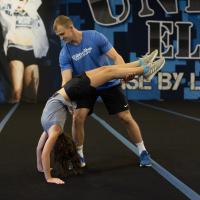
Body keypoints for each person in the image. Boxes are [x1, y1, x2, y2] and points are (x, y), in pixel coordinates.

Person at [37, 55, 165, 184]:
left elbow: (44, 152)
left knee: (107, 70)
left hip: (72, 91)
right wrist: (44, 172)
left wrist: (45, 173)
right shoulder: (50, 131)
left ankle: (141, 64)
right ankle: (144, 69)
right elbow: (41, 151)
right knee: (108, 72)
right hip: (70, 90)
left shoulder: (52, 132)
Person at [53, 15, 159, 168]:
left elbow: (116, 57)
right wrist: (67, 99)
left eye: (62, 34)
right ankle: (79, 156)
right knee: (78, 117)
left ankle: (143, 151)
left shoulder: (95, 37)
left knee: (125, 117)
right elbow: (66, 81)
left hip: (108, 82)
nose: (61, 38)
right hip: (86, 87)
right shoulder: (65, 53)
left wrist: (125, 73)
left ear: (71, 27)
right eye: (58, 36)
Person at [0, 0, 49, 103]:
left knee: (32, 97)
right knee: (16, 93)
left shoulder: (33, 5)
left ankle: (27, 119)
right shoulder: (6, 3)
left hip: (31, 51)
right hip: (15, 48)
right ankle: (10, 117)